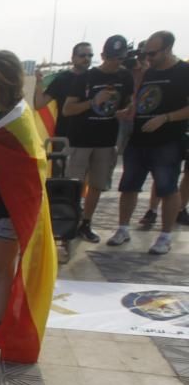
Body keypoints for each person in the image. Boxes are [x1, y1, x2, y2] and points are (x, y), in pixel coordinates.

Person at [0, 50, 57, 361]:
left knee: (3, 267)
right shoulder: (4, 114)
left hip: (6, 205)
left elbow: (18, 162)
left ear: (1, 82)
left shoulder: (14, 118)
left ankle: (0, 322)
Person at [107, 31, 189, 255]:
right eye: (146, 53)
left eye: (152, 53)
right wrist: (128, 111)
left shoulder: (183, 71)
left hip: (167, 142)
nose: (148, 57)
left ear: (168, 49)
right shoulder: (148, 72)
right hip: (139, 139)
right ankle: (122, 229)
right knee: (128, 186)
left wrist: (166, 117)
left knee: (167, 188)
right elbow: (141, 100)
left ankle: (165, 236)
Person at [62, 35, 135, 244]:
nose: (115, 62)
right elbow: (68, 109)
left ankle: (86, 222)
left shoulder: (125, 77)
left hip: (106, 140)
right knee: (74, 184)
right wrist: (93, 101)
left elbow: (129, 102)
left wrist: (126, 110)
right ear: (103, 56)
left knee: (97, 184)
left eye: (119, 58)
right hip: (80, 139)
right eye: (112, 58)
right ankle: (70, 222)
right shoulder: (86, 77)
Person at [34, 42, 93, 142]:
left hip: (90, 136)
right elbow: (39, 104)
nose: (87, 58)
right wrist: (39, 82)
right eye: (82, 55)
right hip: (64, 136)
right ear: (73, 58)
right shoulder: (62, 79)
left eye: (90, 55)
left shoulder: (95, 78)